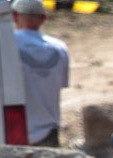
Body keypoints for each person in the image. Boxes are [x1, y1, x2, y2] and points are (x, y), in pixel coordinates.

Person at [11, 0, 70, 147]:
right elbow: (60, 84)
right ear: (43, 18)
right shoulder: (60, 48)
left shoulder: (6, 43)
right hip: (49, 132)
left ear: (14, 16)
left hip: (13, 131)